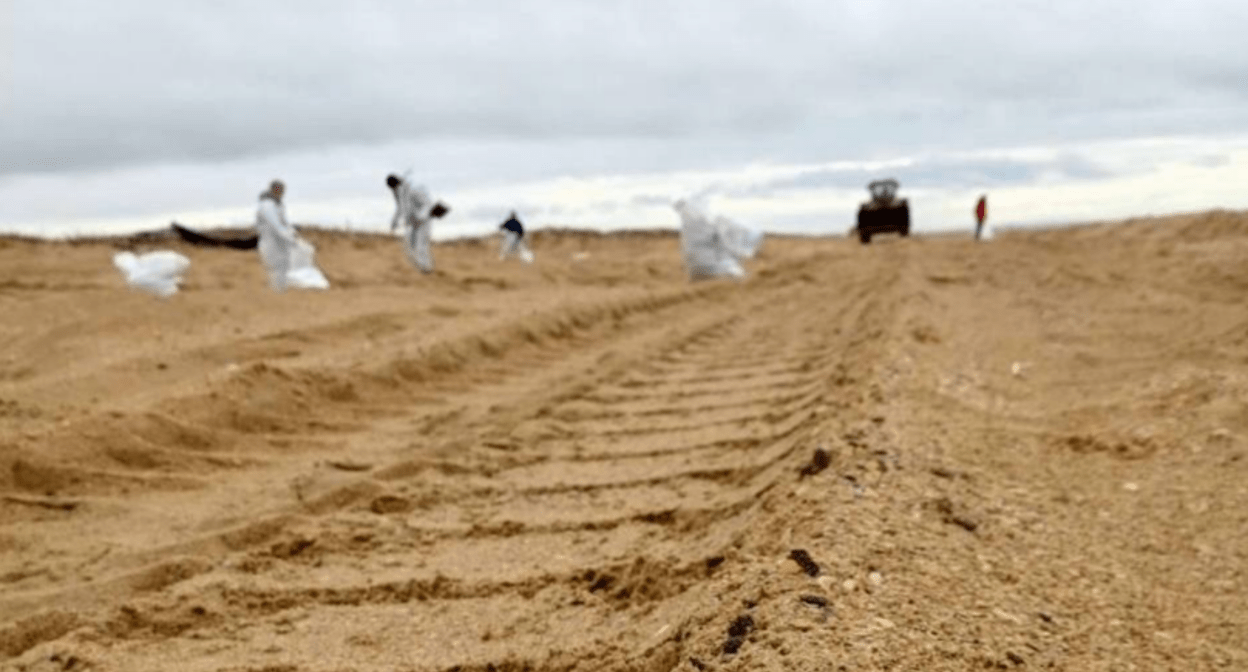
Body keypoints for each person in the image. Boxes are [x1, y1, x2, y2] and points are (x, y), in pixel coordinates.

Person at [386, 174, 446, 274]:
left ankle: (427, 270)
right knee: (408, 248)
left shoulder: (413, 189)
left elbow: (427, 204)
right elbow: (400, 208)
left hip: (423, 222)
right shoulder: (398, 193)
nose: (393, 189)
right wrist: (394, 221)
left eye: (393, 187)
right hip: (411, 223)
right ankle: (422, 268)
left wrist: (420, 217)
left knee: (421, 246)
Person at [255, 179, 302, 291]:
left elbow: (285, 223)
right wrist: (292, 240)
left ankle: (281, 293)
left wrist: (292, 233)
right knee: (277, 267)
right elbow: (276, 226)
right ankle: (276, 294)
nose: (283, 193)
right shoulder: (267, 206)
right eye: (281, 190)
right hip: (271, 242)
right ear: (275, 190)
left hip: (279, 243)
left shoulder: (278, 205)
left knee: (284, 266)